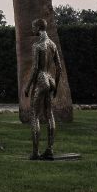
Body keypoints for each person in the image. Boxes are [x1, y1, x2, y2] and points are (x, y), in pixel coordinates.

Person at [25, 18, 63, 160]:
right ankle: (50, 149)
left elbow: (35, 69)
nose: (32, 29)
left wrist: (28, 86)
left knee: (34, 116)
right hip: (50, 79)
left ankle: (35, 152)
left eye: (33, 27)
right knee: (49, 115)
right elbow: (59, 68)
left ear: (38, 27)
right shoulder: (52, 44)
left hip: (41, 80)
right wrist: (56, 86)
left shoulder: (38, 45)